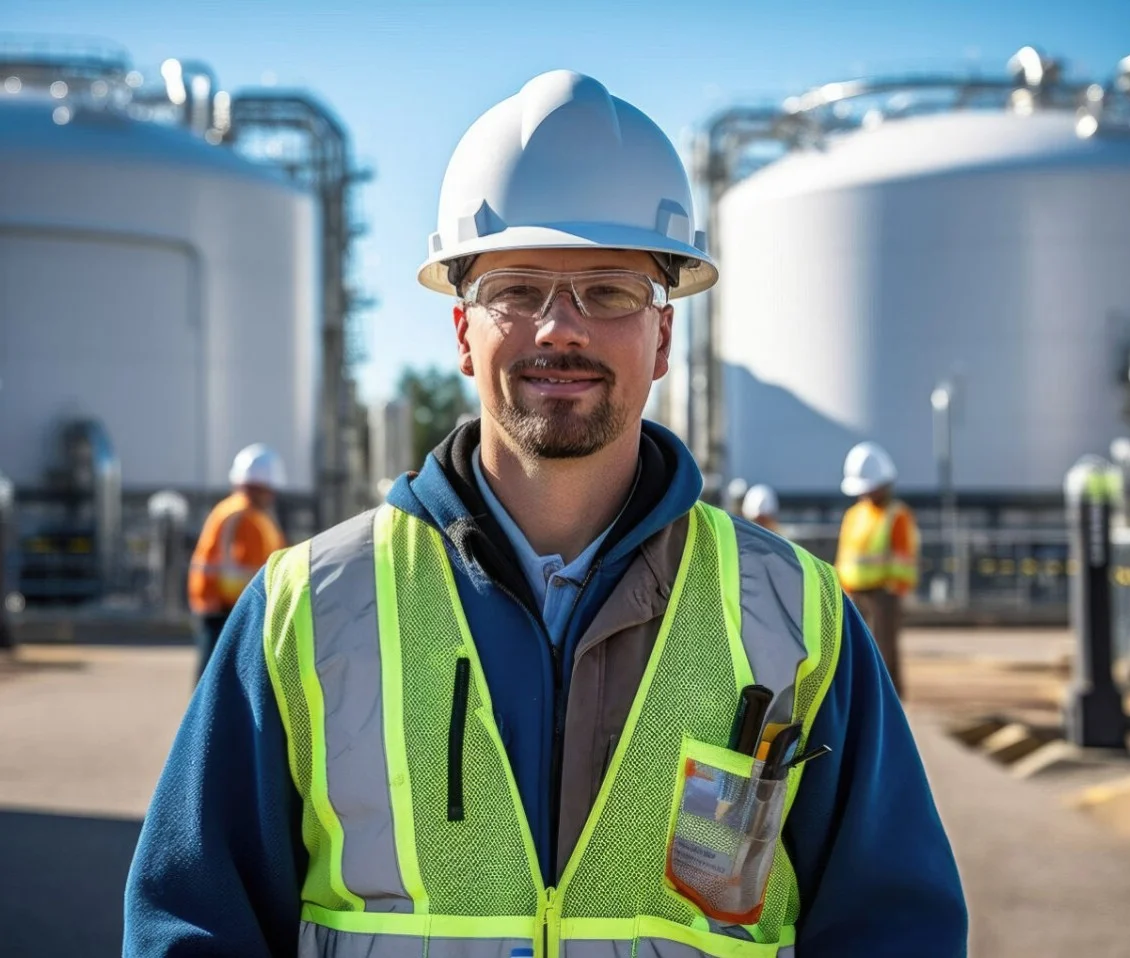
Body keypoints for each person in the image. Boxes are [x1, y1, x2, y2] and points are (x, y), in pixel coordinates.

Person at [125, 72, 965, 957]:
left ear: (664, 338)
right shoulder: (308, 607)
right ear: (460, 333)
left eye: (608, 292)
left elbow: (892, 927)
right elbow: (194, 925)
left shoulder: (797, 616)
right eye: (517, 290)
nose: (558, 330)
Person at [187, 443, 286, 679]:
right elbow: (252, 568)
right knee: (217, 679)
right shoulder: (245, 516)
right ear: (261, 486)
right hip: (225, 607)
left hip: (224, 604)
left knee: (216, 676)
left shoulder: (240, 512)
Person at [835, 441, 920, 697]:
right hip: (854, 594)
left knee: (883, 652)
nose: (865, 493)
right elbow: (846, 555)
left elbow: (906, 558)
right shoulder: (854, 515)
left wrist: (895, 590)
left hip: (885, 594)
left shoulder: (897, 516)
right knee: (855, 651)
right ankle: (862, 698)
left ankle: (888, 700)